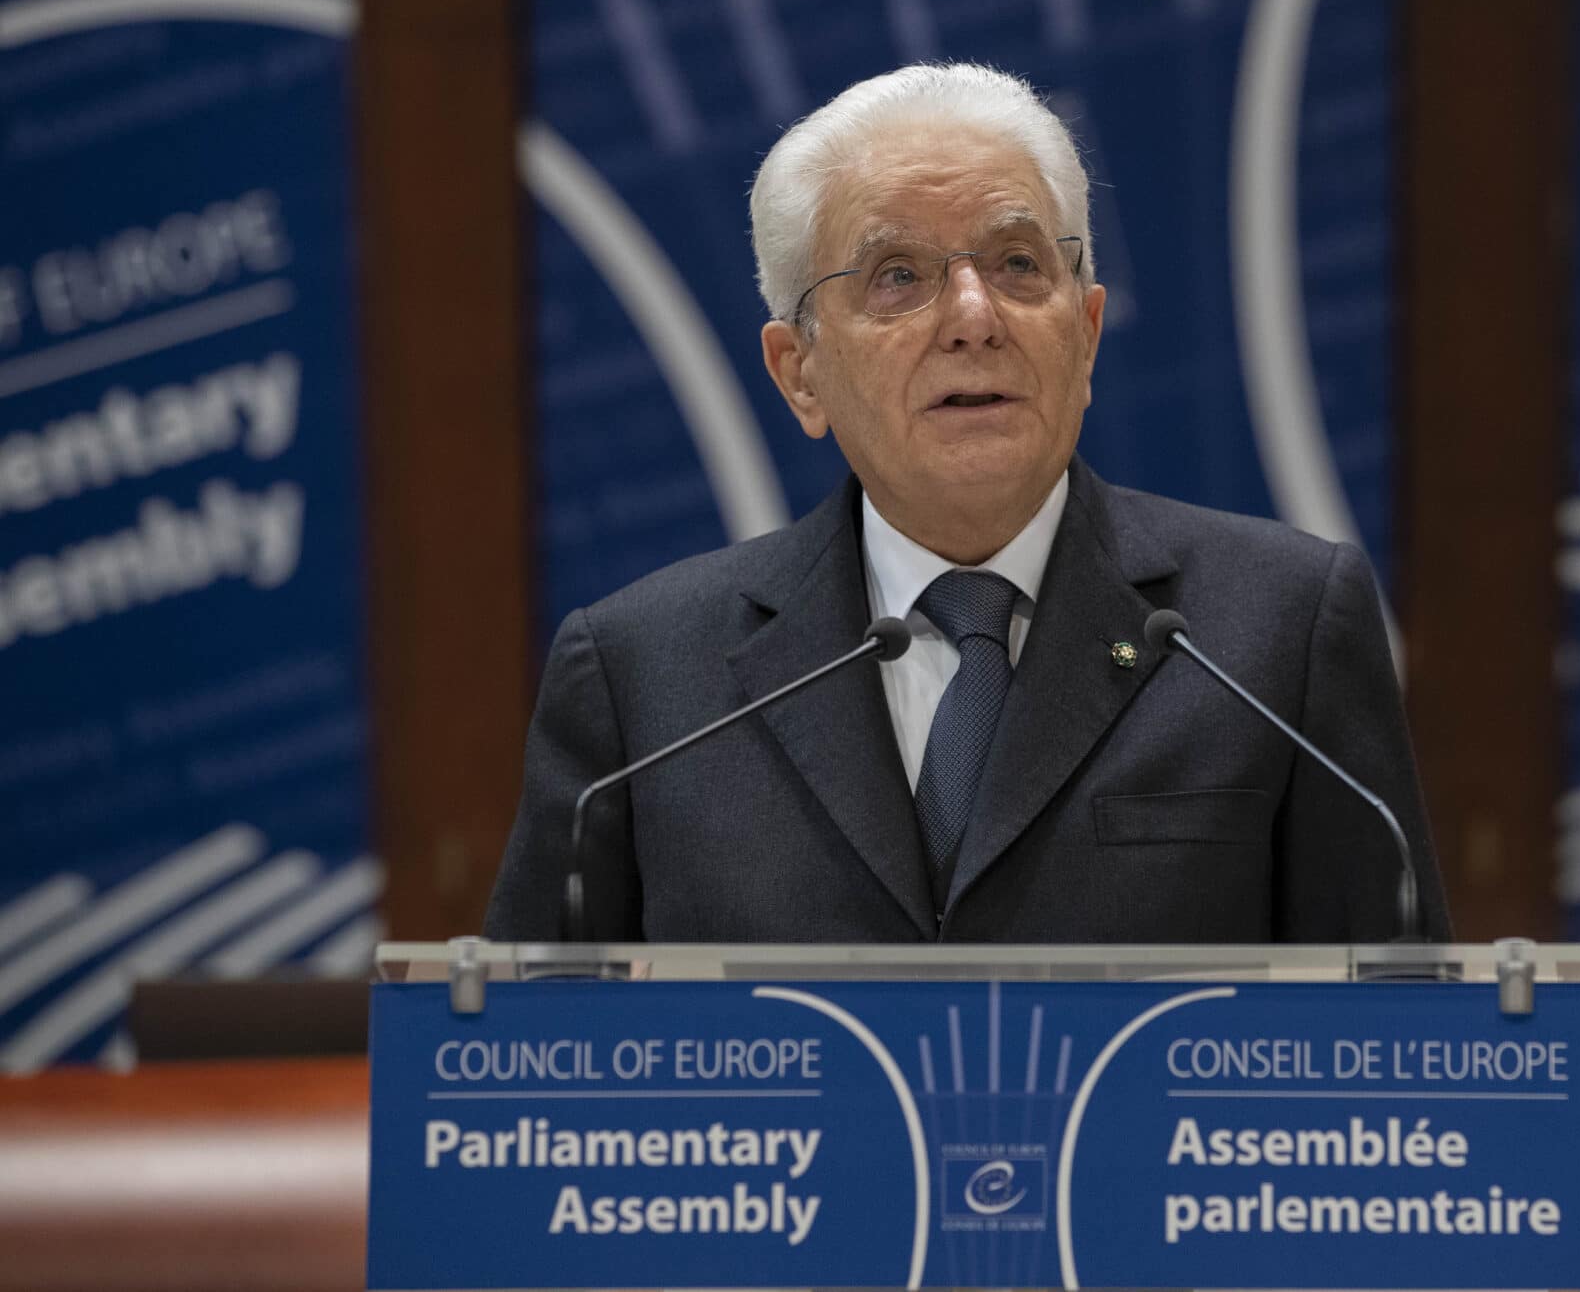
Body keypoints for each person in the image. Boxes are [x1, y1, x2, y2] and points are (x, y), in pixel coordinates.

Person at [483, 63, 1448, 944]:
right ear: (799, 372)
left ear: (1087, 333)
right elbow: (531, 1063)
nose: (975, 319)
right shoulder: (642, 679)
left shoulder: (1277, 631)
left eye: (1019, 264)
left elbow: (1395, 1045)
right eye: (898, 276)